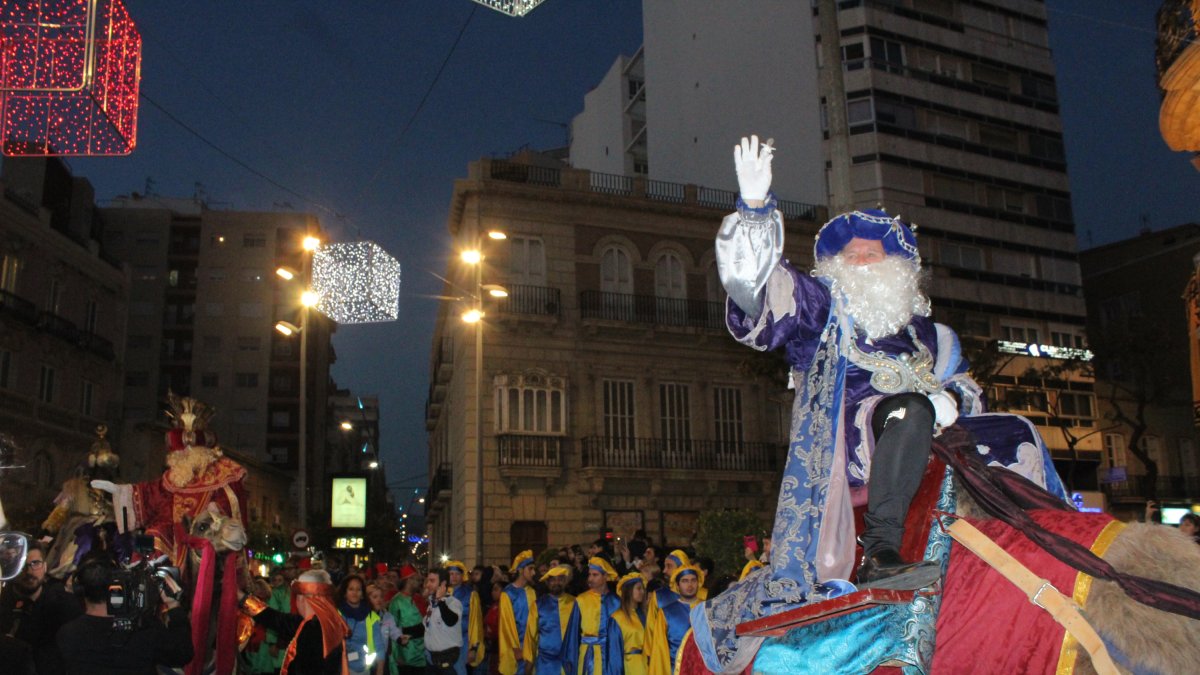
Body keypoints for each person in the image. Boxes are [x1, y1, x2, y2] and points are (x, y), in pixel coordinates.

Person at [690, 134, 1068, 672]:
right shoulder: (822, 310)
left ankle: (1037, 531)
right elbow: (756, 292)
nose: (863, 261)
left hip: (936, 433)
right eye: (851, 256)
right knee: (905, 411)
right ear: (835, 269)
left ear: (901, 269)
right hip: (854, 436)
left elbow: (964, 384)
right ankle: (883, 552)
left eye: (875, 254)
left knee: (1014, 427)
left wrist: (952, 400)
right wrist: (754, 211)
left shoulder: (934, 335)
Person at [57, 554, 194, 674]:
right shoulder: (144, 629)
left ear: (79, 590)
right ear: (118, 588)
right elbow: (183, 654)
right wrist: (173, 606)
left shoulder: (67, 635)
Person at [240, 568, 349, 674]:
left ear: (303, 598)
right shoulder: (329, 622)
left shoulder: (311, 627)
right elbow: (274, 618)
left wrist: (241, 597)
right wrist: (242, 598)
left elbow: (273, 618)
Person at [0, 541, 81, 673]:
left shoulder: (62, 605)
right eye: (23, 565)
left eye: (35, 563)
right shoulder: (4, 603)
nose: (29, 571)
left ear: (44, 567)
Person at [569, 557, 619, 675]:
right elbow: (573, 634)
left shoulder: (617, 602)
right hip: (587, 655)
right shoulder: (581, 600)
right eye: (589, 574)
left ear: (605, 576)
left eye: (595, 575)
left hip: (610, 655)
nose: (590, 579)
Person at [643, 565, 696, 675]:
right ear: (677, 585)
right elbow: (659, 649)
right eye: (685, 581)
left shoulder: (707, 609)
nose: (690, 585)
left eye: (693, 580)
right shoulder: (666, 613)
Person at [529, 565, 578, 675]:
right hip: (545, 665)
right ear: (547, 583)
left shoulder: (575, 603)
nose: (556, 583)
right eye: (552, 580)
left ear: (565, 582)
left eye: (560, 579)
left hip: (570, 664)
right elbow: (531, 637)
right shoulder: (538, 605)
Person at [497, 550, 537, 675]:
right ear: (520, 570)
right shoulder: (508, 594)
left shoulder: (532, 591)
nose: (534, 572)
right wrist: (516, 648)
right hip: (518, 648)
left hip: (533, 647)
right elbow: (506, 624)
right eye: (530, 569)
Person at [444, 561, 484, 674]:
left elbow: (476, 622)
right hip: (443, 644)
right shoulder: (441, 593)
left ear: (463, 576)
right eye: (451, 573)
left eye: (457, 574)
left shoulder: (470, 594)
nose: (454, 577)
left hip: (463, 642)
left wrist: (474, 648)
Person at [340, 575, 386, 673]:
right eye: (351, 589)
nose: (355, 593)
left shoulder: (370, 616)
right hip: (341, 667)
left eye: (358, 589)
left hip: (363, 669)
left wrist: (380, 670)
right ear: (345, 593)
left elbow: (379, 645)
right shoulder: (337, 614)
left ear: (362, 594)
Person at [604, 573, 648, 675]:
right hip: (631, 667)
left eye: (643, 589)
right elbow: (614, 654)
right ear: (628, 591)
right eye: (638, 588)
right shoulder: (617, 618)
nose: (642, 592)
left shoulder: (646, 615)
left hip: (649, 665)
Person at [423, 568, 463, 674]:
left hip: (447, 660)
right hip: (432, 659)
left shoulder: (453, 602)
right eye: (428, 581)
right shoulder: (431, 604)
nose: (428, 585)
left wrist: (441, 601)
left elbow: (451, 621)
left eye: (432, 581)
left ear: (443, 583)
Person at [388, 564, 426, 675]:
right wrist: (395, 656)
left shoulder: (418, 598)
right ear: (409, 580)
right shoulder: (396, 602)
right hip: (406, 658)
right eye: (417, 579)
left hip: (422, 655)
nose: (420, 583)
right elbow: (392, 629)